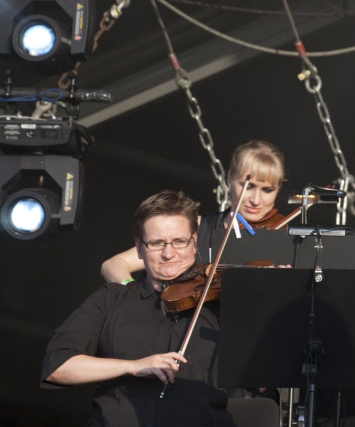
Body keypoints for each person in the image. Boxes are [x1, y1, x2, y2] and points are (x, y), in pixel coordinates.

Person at [41, 191, 236, 427]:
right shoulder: (112, 298)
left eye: (179, 241)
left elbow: (269, 362)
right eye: (156, 243)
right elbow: (59, 367)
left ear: (195, 242)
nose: (168, 253)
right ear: (139, 247)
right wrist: (133, 366)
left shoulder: (220, 301)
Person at [101, 140, 285, 283]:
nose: (256, 200)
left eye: (267, 190)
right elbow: (113, 265)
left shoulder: (286, 238)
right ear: (229, 178)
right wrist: (132, 292)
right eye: (249, 186)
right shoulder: (196, 227)